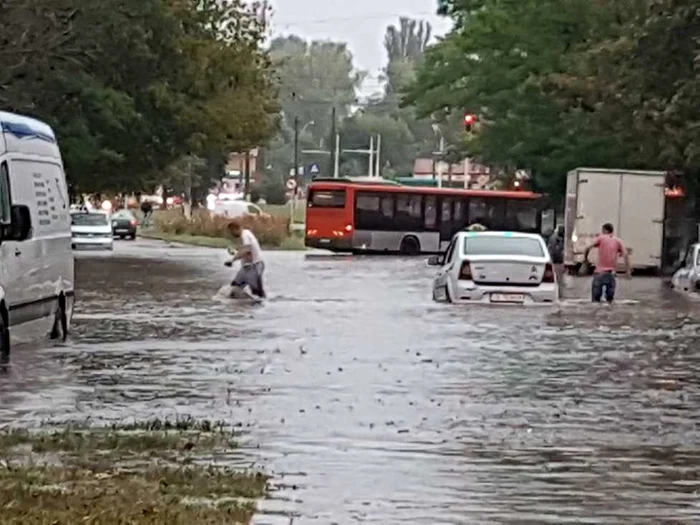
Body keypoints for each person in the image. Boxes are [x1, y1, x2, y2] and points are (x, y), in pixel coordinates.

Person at [583, 223, 630, 303]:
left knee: (595, 301)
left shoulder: (601, 238)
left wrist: (586, 260)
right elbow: (625, 254)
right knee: (610, 301)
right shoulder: (618, 240)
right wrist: (628, 270)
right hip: (611, 274)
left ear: (605, 230)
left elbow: (587, 248)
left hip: (599, 273)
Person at [224, 220, 265, 298]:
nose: (231, 234)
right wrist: (235, 252)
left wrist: (232, 260)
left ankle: (261, 308)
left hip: (254, 267)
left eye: (231, 232)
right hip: (246, 268)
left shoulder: (245, 235)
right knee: (234, 289)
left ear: (235, 229)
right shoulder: (245, 235)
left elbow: (246, 251)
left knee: (257, 294)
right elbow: (246, 251)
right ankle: (239, 307)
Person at [547, 225, 565, 297]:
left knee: (559, 280)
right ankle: (559, 294)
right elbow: (554, 250)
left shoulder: (556, 238)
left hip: (557, 262)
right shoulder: (554, 238)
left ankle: (559, 294)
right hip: (556, 262)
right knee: (558, 280)